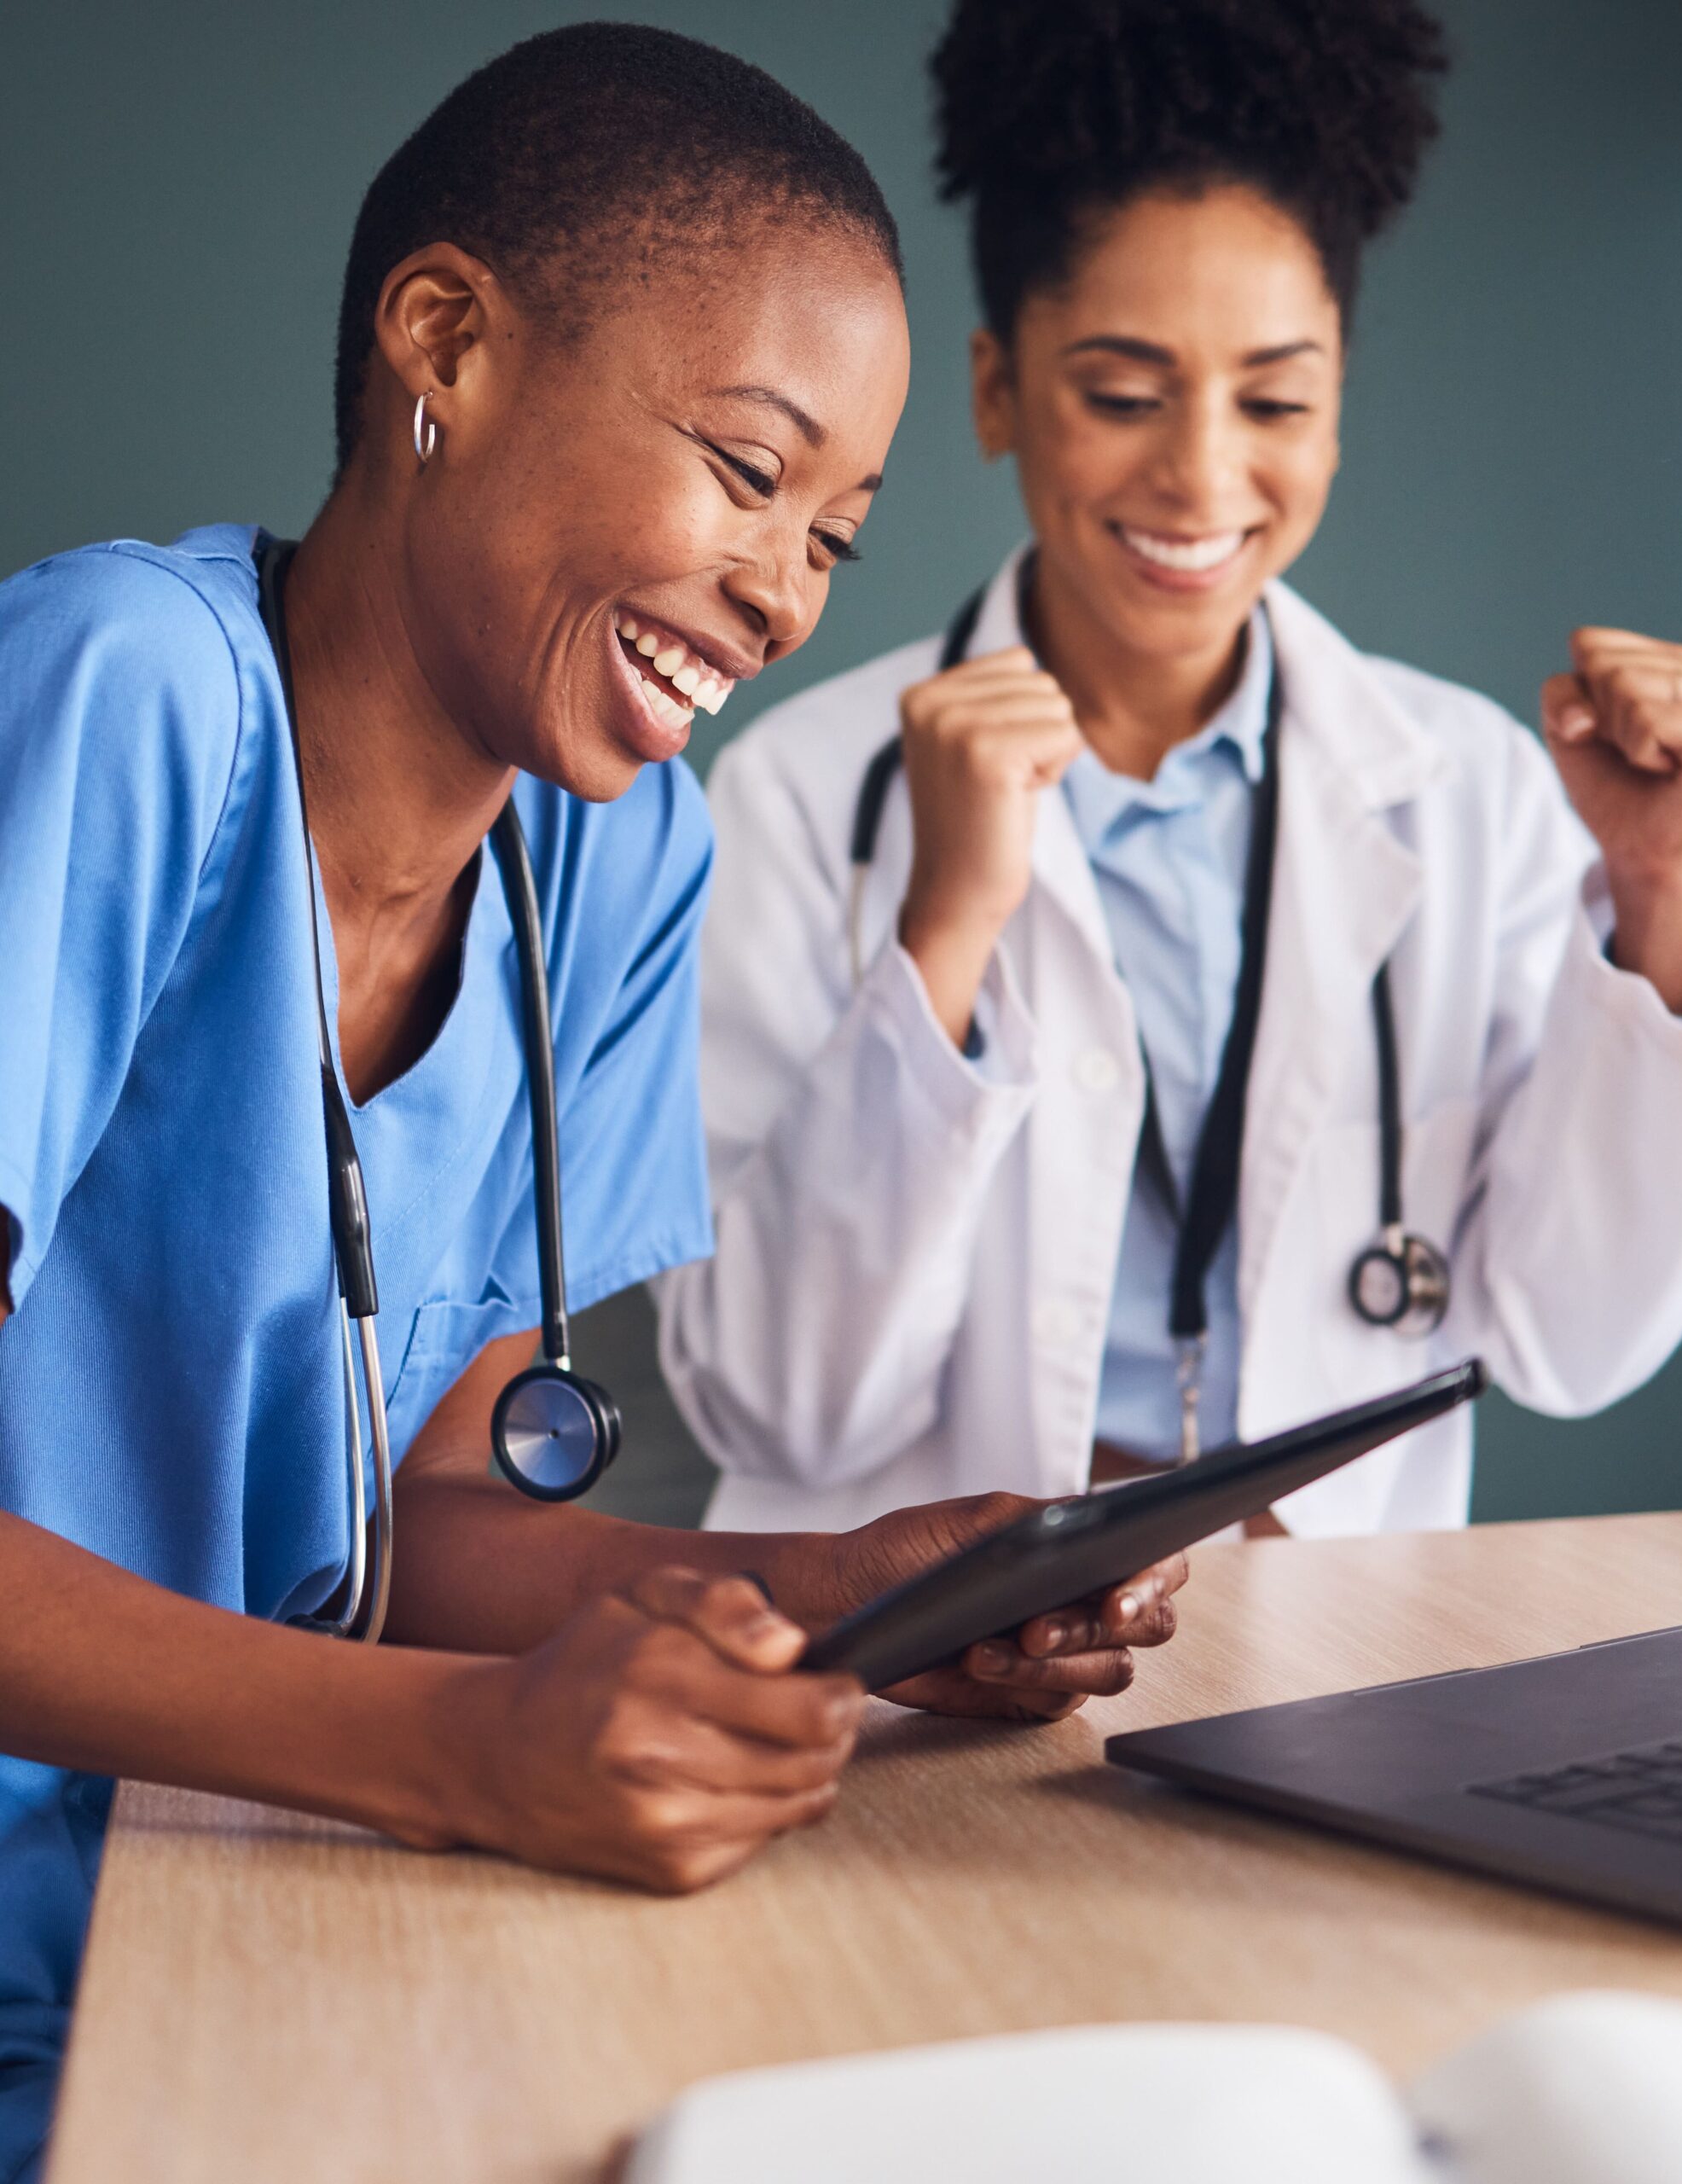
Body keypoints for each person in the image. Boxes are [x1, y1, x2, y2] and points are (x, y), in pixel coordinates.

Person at [0, 28, 1186, 2180]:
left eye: (831, 533)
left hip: (261, 1920)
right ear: (443, 340)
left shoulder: (615, 864)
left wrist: (841, 1596)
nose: (784, 590)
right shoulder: (127, 694)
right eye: (745, 471)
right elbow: (425, 1687)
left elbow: (419, 1531)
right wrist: (467, 1752)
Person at [656, 0, 1682, 1540]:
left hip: (1341, 1661)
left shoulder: (1476, 792)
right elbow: (773, 1402)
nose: (1202, 472)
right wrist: (946, 935)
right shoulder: (800, 798)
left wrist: (1657, 899)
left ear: (1341, 401)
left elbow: (1575, 1341)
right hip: (932, 1675)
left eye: (1277, 399)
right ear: (994, 391)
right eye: (1122, 394)